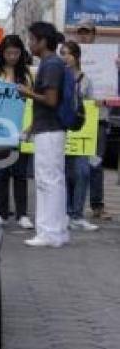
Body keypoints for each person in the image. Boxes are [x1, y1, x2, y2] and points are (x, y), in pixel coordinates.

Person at [18, 22, 69, 248]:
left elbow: (50, 100)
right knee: (53, 181)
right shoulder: (53, 64)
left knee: (48, 182)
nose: (29, 44)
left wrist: (27, 92)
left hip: (50, 131)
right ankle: (56, 231)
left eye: (31, 39)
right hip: (48, 129)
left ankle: (49, 233)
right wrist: (30, 128)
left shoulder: (50, 65)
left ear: (42, 41)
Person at [0, 35, 34, 229]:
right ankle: (1, 213)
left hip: (22, 128)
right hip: (0, 129)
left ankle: (22, 214)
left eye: (16, 53)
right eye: (8, 53)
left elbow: (33, 102)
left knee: (21, 173)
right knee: (2, 171)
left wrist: (30, 127)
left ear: (21, 53)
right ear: (2, 53)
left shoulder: (29, 74)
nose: (12, 56)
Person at [59, 41, 100, 232]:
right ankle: (66, 214)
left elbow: (91, 106)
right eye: (62, 54)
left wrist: (96, 105)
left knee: (83, 172)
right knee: (65, 174)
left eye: (67, 53)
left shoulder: (86, 80)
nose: (64, 57)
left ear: (76, 56)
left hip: (81, 134)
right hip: (62, 130)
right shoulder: (58, 77)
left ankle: (78, 214)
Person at [73, 19, 112, 220]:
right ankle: (72, 206)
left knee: (96, 163)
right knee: (74, 163)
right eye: (80, 32)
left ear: (94, 34)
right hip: (76, 118)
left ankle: (97, 206)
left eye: (87, 32)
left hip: (99, 117)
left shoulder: (107, 60)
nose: (83, 36)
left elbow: (113, 91)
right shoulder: (69, 58)